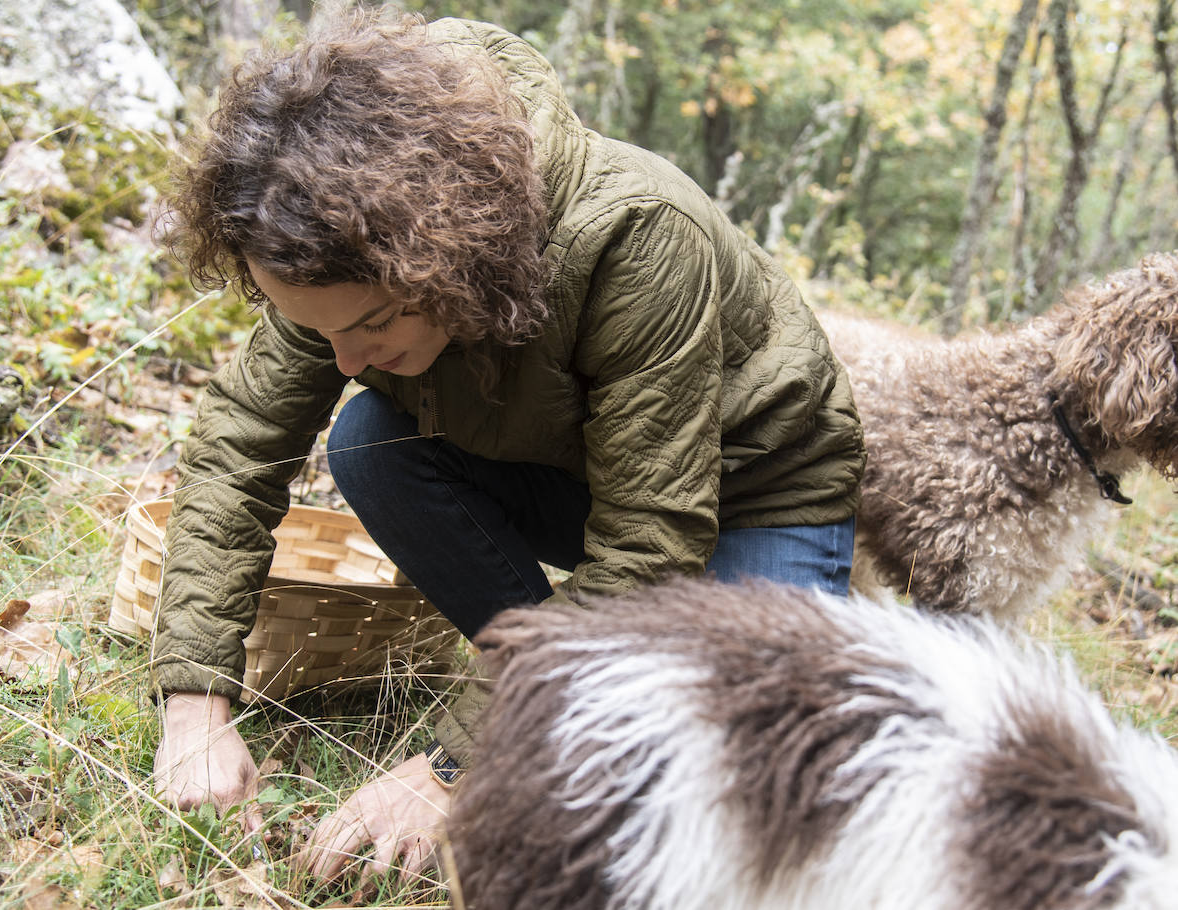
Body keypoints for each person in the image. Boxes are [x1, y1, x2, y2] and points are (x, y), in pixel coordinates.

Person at [150, 7, 864, 884]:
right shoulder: (330, 247)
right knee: (370, 439)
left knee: (737, 783)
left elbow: (650, 544)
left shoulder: (636, 235)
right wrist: (195, 699)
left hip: (755, 490)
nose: (343, 358)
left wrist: (453, 769)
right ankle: (550, 685)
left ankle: (548, 702)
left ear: (444, 257)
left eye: (373, 324)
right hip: (577, 474)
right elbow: (239, 445)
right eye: (319, 330)